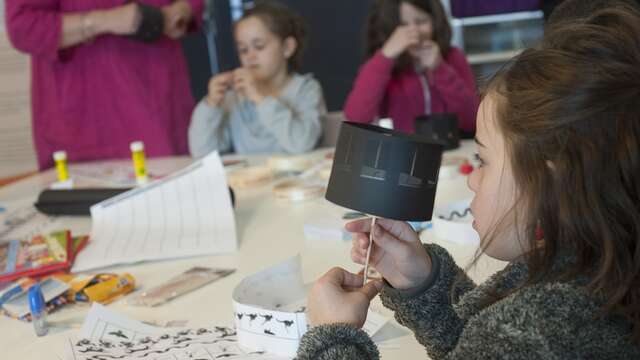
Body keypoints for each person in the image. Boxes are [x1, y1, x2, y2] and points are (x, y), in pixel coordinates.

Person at [297, 6, 640, 359]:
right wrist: (422, 283)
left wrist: (332, 337)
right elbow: (485, 346)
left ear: (549, 182)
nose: (473, 180)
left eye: (483, 160)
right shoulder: (599, 274)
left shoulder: (544, 332)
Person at [5, 0, 201, 170]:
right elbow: (23, 27)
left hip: (161, 100)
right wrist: (105, 21)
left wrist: (182, 10)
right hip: (90, 119)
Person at [188, 1, 325, 157]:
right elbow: (201, 152)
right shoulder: (234, 97)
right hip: (246, 180)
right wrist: (211, 104)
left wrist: (259, 98)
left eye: (259, 46)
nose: (250, 57)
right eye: (243, 50)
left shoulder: (306, 90)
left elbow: (302, 144)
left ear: (287, 47)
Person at [343, 0, 478, 134]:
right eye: (402, 25)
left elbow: (472, 120)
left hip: (451, 150)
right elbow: (356, 119)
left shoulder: (453, 57)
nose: (414, 31)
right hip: (401, 150)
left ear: (435, 22)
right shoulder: (379, 64)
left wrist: (440, 69)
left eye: (421, 22)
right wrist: (385, 56)